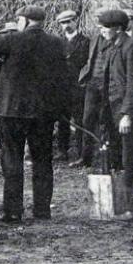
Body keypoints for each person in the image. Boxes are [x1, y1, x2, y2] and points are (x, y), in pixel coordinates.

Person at [0, 5, 69, 223]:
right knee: (42, 161)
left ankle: (13, 212)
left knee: (12, 161)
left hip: (12, 112)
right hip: (43, 114)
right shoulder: (57, 44)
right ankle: (42, 211)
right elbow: (63, 80)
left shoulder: (13, 40)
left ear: (25, 20)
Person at [98, 9, 133, 223]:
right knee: (121, 160)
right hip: (114, 113)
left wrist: (127, 114)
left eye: (104, 27)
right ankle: (126, 205)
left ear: (117, 29)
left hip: (129, 114)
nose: (101, 31)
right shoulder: (112, 47)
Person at [75, 8, 110, 168]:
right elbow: (91, 60)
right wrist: (85, 76)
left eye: (101, 20)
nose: (98, 23)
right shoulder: (95, 37)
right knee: (86, 120)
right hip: (92, 85)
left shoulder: (115, 38)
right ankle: (86, 157)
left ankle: (106, 159)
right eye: (97, 20)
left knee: (106, 121)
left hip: (108, 86)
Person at [56, 10, 90, 162]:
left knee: (80, 120)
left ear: (76, 21)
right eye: (63, 23)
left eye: (69, 21)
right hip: (62, 89)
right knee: (63, 120)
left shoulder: (86, 42)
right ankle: (62, 151)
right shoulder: (57, 43)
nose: (66, 25)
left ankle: (82, 152)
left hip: (79, 88)